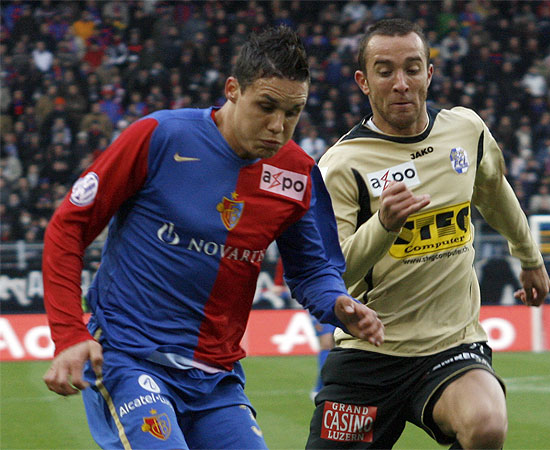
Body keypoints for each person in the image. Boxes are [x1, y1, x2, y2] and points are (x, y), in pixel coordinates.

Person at [42, 26, 384, 450]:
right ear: (232, 90)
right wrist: (69, 335)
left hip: (216, 379)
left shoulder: (296, 173)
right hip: (129, 358)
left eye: (293, 112)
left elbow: (313, 268)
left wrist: (338, 302)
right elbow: (68, 227)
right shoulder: (160, 137)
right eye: (266, 106)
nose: (278, 126)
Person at [306, 18, 550, 450]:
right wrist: (383, 226)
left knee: (486, 424)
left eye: (412, 68)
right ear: (364, 82)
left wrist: (529, 258)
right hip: (369, 354)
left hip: (451, 345)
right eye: (385, 71)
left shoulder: (465, 131)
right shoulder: (341, 166)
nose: (401, 83)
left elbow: (494, 193)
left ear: (429, 73)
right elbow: (333, 274)